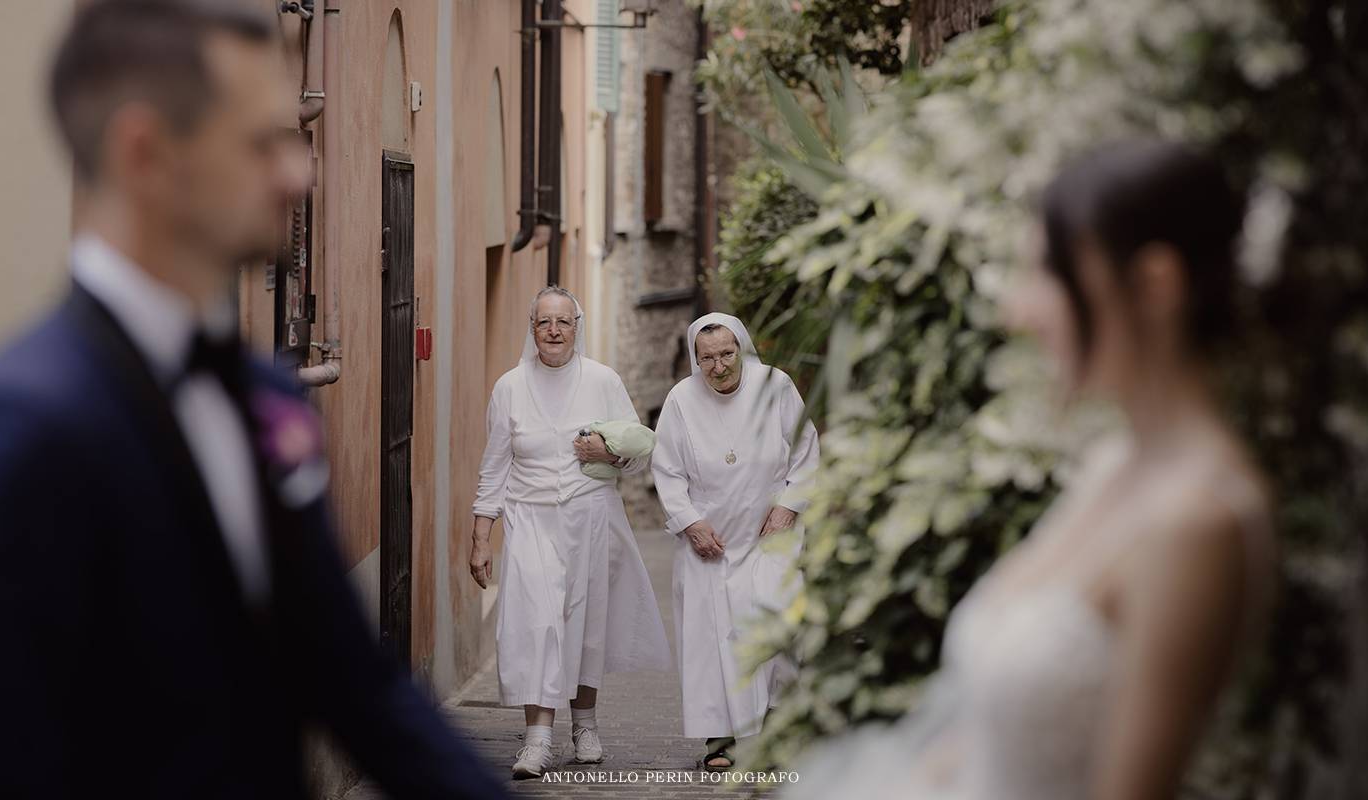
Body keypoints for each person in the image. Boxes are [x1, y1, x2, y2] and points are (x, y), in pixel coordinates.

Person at [0, 3, 504, 798]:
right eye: (263, 142)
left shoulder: (267, 398)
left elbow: (359, 688)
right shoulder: (17, 432)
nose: (301, 172)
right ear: (145, 153)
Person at [785, 140, 1276, 800]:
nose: (1018, 310)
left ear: (1155, 285)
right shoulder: (1111, 467)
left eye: (1049, 273)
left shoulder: (1197, 523)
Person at [469, 286, 672, 779]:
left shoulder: (603, 380)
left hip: (589, 516)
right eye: (544, 323)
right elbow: (494, 467)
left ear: (576, 327)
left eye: (563, 322)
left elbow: (641, 449)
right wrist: (481, 535)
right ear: (532, 328)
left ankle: (586, 727)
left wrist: (608, 453)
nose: (554, 331)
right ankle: (537, 740)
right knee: (535, 623)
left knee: (584, 621)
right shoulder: (509, 387)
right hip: (529, 518)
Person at [651, 313, 820, 772]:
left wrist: (789, 507)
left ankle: (778, 732)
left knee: (777, 625)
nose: (719, 366)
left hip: (771, 535)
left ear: (742, 349)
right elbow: (667, 470)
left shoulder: (776, 385)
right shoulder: (681, 400)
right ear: (696, 359)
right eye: (708, 358)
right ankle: (721, 740)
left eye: (727, 354)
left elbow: (805, 451)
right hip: (713, 541)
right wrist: (689, 522)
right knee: (714, 640)